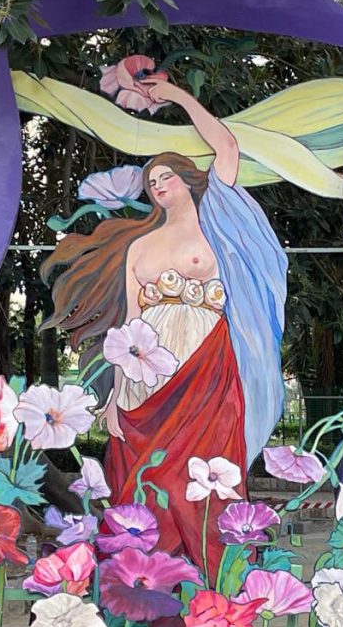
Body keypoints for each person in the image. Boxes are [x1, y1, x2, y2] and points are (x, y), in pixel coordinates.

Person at [41, 78, 286, 585]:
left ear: (188, 178)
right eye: (151, 181)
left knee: (205, 477)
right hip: (146, 376)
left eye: (166, 175)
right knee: (146, 477)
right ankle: (143, 584)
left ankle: (213, 586)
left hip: (207, 365)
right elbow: (129, 326)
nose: (158, 185)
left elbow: (226, 145)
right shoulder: (140, 246)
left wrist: (175, 96)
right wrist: (114, 396)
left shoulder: (218, 218)